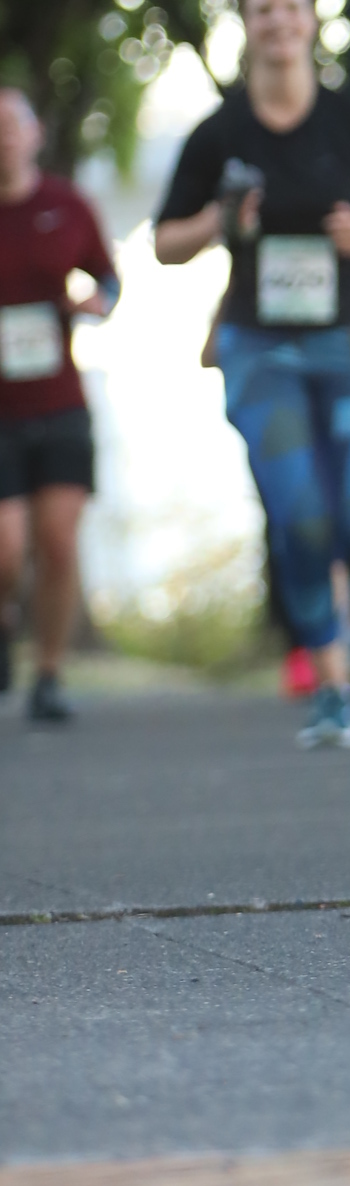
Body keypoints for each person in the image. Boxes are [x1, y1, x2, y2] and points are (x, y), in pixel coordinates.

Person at [153, 0, 350, 751]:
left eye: (290, 6)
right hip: (261, 346)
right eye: (262, 9)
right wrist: (219, 221)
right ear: (247, 25)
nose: (278, 20)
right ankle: (331, 688)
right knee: (301, 518)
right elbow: (165, 242)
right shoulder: (220, 132)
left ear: (312, 19)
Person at [0, 86, 117, 722]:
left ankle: (48, 672)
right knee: (6, 547)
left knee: (58, 541)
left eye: (12, 124)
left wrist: (99, 302)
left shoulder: (67, 205)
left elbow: (109, 278)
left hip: (60, 401)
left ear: (34, 133)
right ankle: (4, 616)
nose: (3, 137)